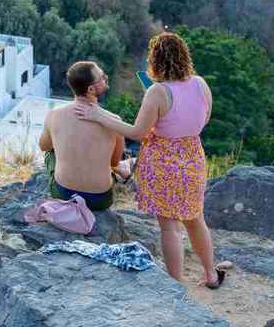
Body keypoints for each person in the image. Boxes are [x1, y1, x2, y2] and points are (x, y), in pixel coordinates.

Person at [75, 31, 225, 289]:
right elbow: (204, 119)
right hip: (193, 157)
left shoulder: (157, 92)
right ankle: (211, 275)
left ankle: (176, 286)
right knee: (195, 219)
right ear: (184, 56)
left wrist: (98, 116)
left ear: (155, 60)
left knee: (170, 228)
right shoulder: (201, 84)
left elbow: (137, 133)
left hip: (163, 162)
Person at [38, 61, 129, 212]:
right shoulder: (114, 121)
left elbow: (44, 146)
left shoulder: (54, 114)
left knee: (50, 152)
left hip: (64, 194)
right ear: (91, 89)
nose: (106, 77)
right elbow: (113, 162)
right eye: (102, 77)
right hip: (100, 200)